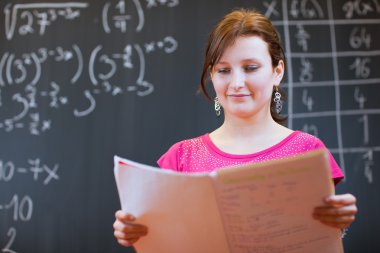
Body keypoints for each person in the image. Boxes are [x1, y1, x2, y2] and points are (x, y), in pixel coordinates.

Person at [113, 8, 357, 248]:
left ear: (277, 72)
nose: (236, 83)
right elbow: (163, 239)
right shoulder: (181, 157)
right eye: (224, 70)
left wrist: (338, 223)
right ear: (213, 75)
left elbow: (319, 238)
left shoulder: (308, 151)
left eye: (251, 68)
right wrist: (138, 231)